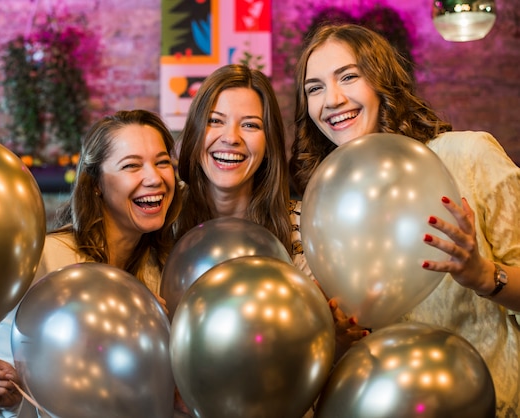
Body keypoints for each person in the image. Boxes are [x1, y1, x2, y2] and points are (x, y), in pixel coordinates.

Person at [290, 23, 520, 416]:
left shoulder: (468, 156)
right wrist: (339, 335)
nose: (333, 99)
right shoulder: (319, 206)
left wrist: (482, 275)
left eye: (349, 76)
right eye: (315, 88)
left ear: (382, 81)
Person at [0, 109, 182, 417]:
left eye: (163, 162)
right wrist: (10, 401)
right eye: (132, 165)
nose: (155, 178)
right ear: (95, 183)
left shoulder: (165, 270)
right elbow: (1, 386)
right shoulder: (45, 261)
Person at [176, 63, 366, 356]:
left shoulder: (308, 228)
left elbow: (324, 350)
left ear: (269, 143)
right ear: (195, 131)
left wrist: (335, 340)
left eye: (250, 125)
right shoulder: (164, 221)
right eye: (215, 121)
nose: (231, 138)